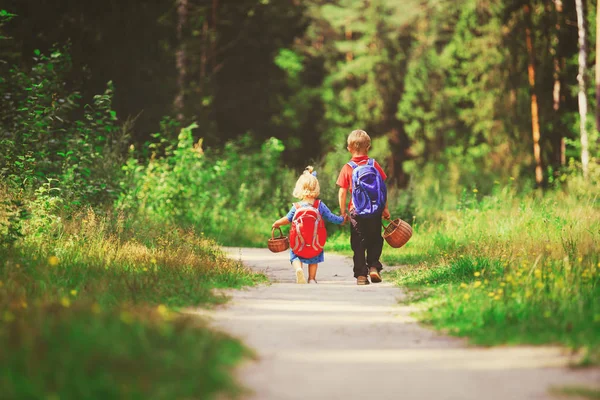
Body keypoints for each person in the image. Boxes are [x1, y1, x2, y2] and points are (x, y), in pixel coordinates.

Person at [272, 166, 345, 284]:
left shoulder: (296, 206)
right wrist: (341, 220)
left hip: (298, 240)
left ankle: (298, 269)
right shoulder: (319, 205)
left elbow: (287, 219)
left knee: (295, 254)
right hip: (315, 240)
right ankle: (311, 278)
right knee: (314, 257)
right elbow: (330, 217)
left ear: (299, 188)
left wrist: (277, 223)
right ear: (316, 188)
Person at [337, 130, 390, 285]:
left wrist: (342, 213)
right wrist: (385, 208)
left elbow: (342, 192)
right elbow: (382, 188)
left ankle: (361, 275)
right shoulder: (374, 164)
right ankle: (373, 266)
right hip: (375, 210)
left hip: (356, 211)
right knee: (375, 239)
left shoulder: (347, 167)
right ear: (369, 147)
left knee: (358, 243)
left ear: (349, 148)